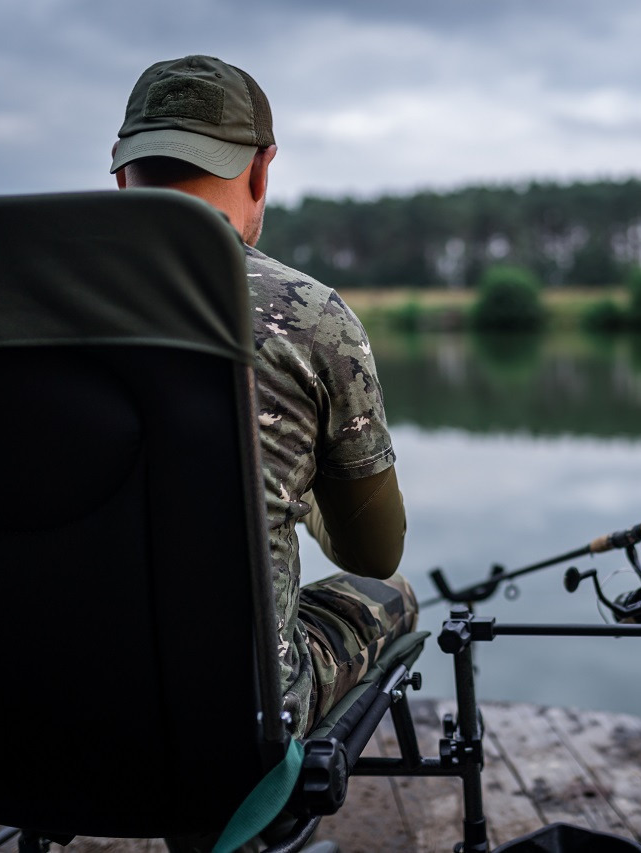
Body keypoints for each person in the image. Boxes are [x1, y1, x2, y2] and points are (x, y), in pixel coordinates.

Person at [110, 55, 418, 739]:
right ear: (260, 168)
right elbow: (374, 552)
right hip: (232, 714)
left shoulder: (13, 306)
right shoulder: (307, 314)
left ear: (122, 168)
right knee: (391, 594)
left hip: (10, 697)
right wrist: (293, 478)